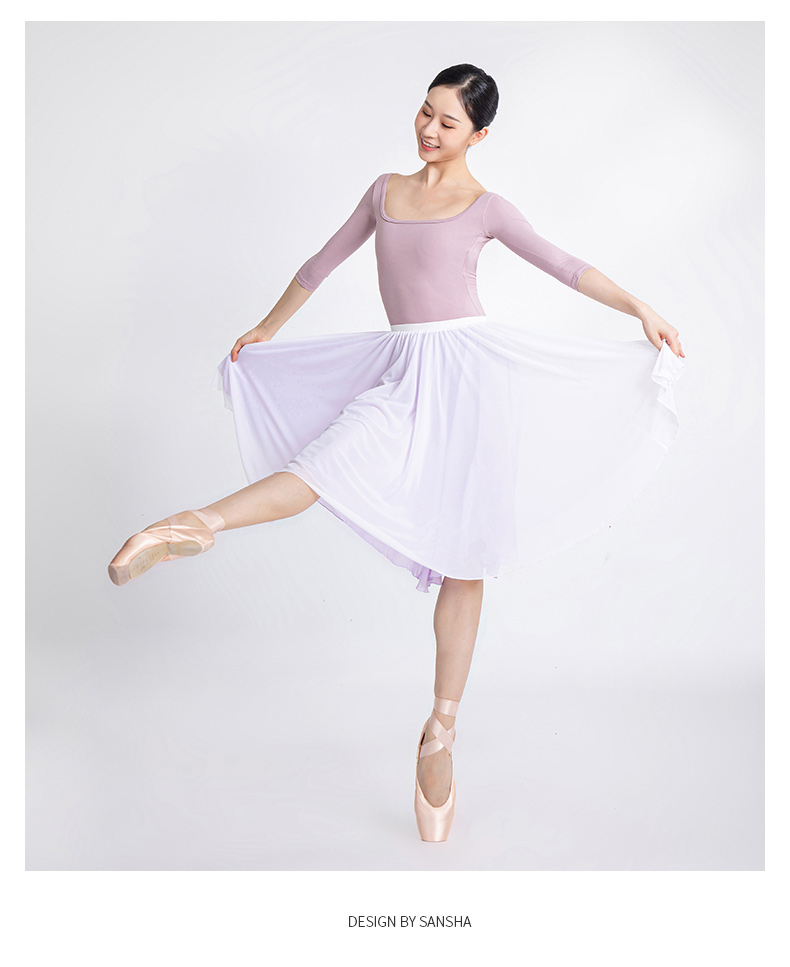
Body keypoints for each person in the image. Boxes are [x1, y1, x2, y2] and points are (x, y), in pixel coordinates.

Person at [108, 64, 686, 844]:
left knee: (466, 558)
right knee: (322, 466)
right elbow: (317, 266)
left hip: (472, 382)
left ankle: (440, 733)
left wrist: (640, 306)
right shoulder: (384, 192)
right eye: (424, 112)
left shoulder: (487, 208)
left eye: (448, 122)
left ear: (479, 134)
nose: (429, 130)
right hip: (403, 372)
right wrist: (268, 328)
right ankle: (190, 525)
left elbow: (564, 265)